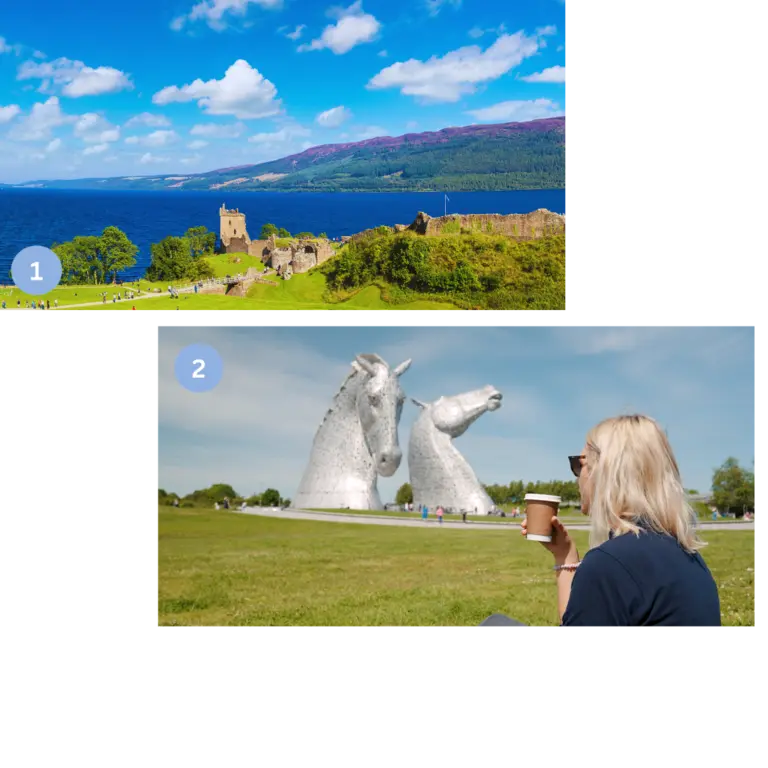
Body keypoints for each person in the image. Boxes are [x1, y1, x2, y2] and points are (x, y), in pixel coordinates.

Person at [521, 414, 721, 631]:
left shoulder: (611, 564)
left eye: (579, 464)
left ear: (606, 471)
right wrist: (565, 554)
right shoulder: (686, 553)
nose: (577, 477)